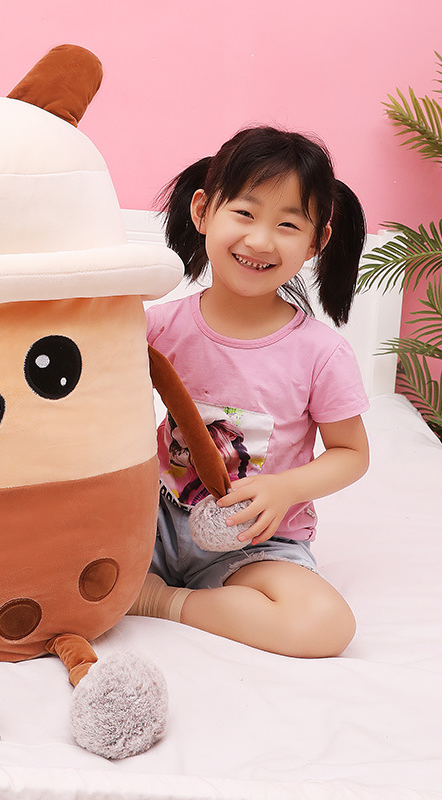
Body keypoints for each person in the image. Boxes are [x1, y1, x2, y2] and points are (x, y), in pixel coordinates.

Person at [128, 126, 370, 658]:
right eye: (244, 213)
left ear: (317, 242)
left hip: (257, 543)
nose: (260, 241)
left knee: (324, 625)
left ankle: (159, 600)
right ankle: (138, 581)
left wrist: (284, 489)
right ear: (202, 212)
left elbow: (352, 453)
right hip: (152, 523)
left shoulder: (321, 353)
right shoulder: (156, 326)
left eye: (288, 225)